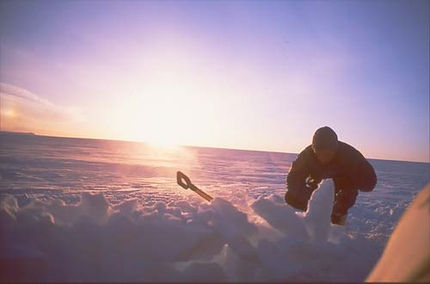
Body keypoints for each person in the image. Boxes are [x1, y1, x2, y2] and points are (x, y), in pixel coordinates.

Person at [285, 126, 377, 225]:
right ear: (314, 150)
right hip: (317, 186)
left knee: (344, 199)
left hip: (342, 190)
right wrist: (313, 200)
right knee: (291, 197)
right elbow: (293, 179)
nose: (325, 158)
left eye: (329, 154)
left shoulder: (350, 155)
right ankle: (312, 220)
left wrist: (348, 181)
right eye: (321, 154)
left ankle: (337, 220)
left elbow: (370, 182)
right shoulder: (307, 156)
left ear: (335, 150)